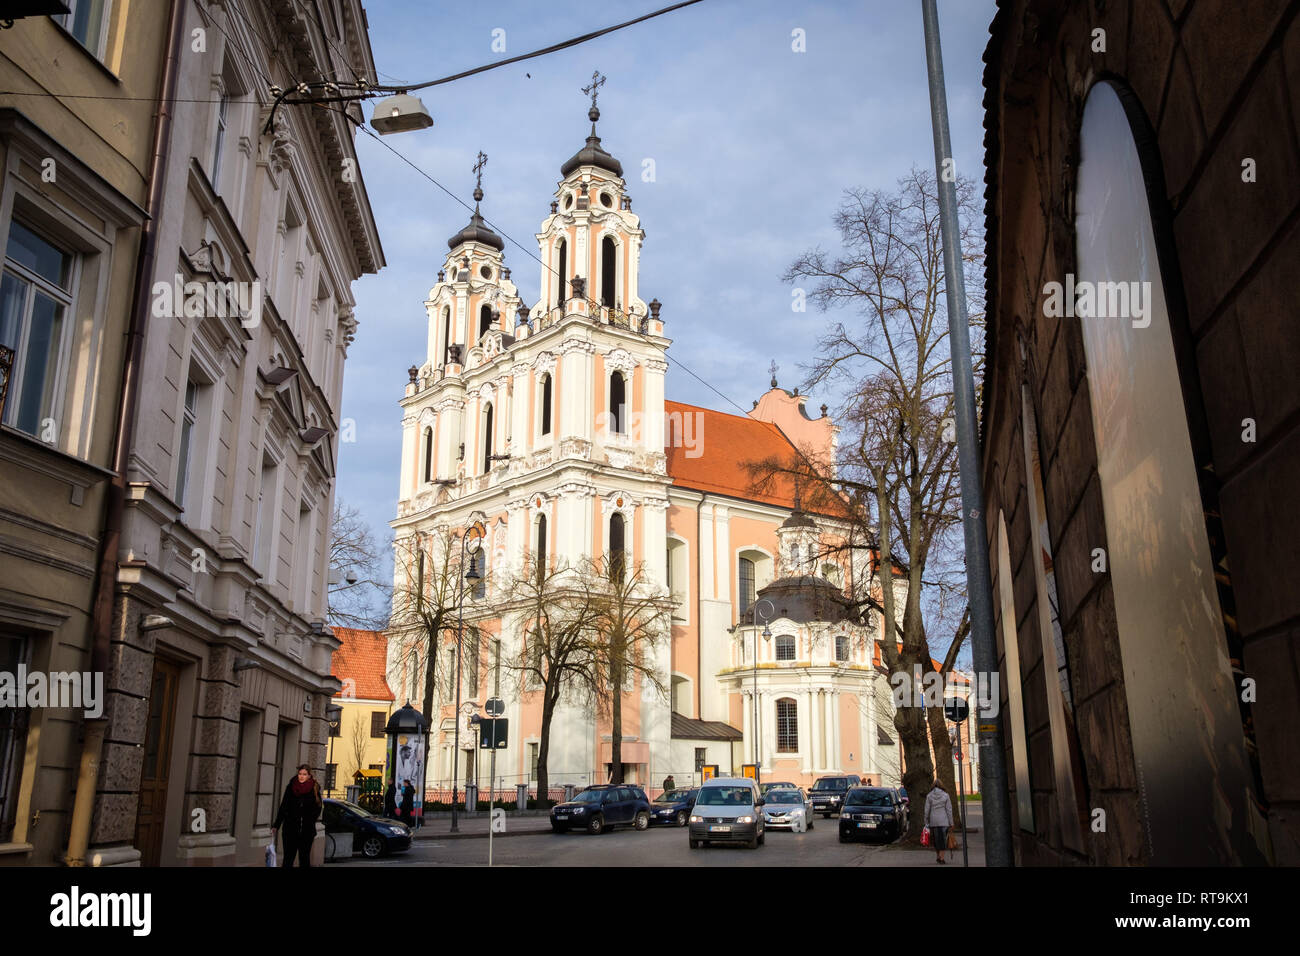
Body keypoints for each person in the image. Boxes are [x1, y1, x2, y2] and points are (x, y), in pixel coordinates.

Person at [272, 764, 323, 867]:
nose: (301, 776)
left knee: (304, 859)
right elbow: (283, 806)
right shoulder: (291, 787)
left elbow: (318, 807)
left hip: (306, 831)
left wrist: (310, 819)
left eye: (304, 774)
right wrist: (276, 825)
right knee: (288, 859)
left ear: (309, 776)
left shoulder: (314, 788)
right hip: (290, 829)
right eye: (300, 774)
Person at [924, 779, 954, 864]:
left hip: (933, 821)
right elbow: (949, 810)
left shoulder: (929, 796)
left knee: (936, 840)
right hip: (944, 820)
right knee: (943, 840)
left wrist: (926, 821)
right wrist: (951, 822)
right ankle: (941, 857)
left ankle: (938, 856)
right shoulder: (946, 795)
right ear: (941, 786)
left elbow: (926, 810)